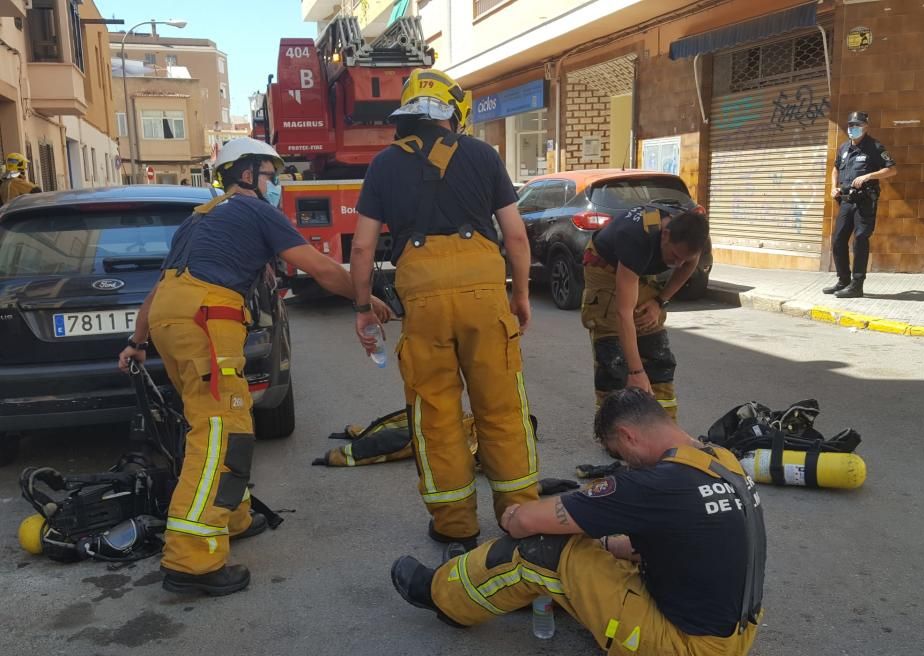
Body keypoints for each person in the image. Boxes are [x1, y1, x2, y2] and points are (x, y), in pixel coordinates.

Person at [118, 137, 390, 596]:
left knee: (225, 421)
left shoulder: (199, 219)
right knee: (219, 430)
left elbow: (160, 288)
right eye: (271, 174)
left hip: (172, 318)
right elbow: (321, 270)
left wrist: (137, 341)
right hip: (207, 319)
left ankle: (234, 516)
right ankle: (191, 560)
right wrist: (365, 299)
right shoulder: (257, 211)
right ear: (246, 174)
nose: (277, 184)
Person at [391, 388, 766, 656]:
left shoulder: (652, 485)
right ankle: (535, 593)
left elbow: (522, 522)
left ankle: (445, 597)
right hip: (734, 642)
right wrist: (603, 544)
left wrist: (517, 515)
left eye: (620, 455)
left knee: (543, 551)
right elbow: (678, 541)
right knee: (601, 547)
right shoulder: (720, 461)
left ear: (628, 436)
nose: (626, 464)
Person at [349, 68, 538, 553]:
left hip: (423, 294)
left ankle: (455, 526)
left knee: (436, 411)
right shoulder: (483, 154)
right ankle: (521, 519)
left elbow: (364, 248)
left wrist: (362, 306)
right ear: (455, 112)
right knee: (501, 407)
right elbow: (515, 235)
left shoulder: (383, 166)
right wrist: (520, 295)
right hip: (483, 288)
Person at [581, 204, 709, 419]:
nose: (677, 264)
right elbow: (624, 313)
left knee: (656, 350)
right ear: (666, 235)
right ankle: (614, 430)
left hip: (641, 268)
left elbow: (689, 264)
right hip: (606, 267)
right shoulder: (635, 238)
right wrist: (636, 372)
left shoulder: (692, 237)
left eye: (683, 259)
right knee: (614, 356)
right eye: (675, 256)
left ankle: (664, 425)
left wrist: (660, 301)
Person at [823, 111, 896, 299]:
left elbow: (891, 169)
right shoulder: (843, 148)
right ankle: (843, 280)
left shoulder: (874, 146)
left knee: (860, 240)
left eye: (856, 125)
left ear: (865, 127)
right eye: (850, 125)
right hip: (846, 201)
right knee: (838, 240)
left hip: (865, 202)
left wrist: (868, 176)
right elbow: (835, 168)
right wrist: (834, 188)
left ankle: (857, 285)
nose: (852, 129)